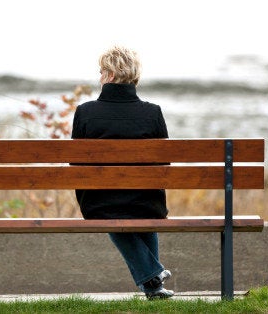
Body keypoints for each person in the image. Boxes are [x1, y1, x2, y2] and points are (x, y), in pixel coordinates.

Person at [71, 46, 174, 300]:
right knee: (144, 202)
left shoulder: (85, 112)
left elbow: (76, 166)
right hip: (146, 202)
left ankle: (153, 280)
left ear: (109, 76)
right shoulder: (153, 113)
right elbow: (163, 167)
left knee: (112, 207)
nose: (99, 77)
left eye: (101, 72)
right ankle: (154, 279)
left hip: (99, 204)